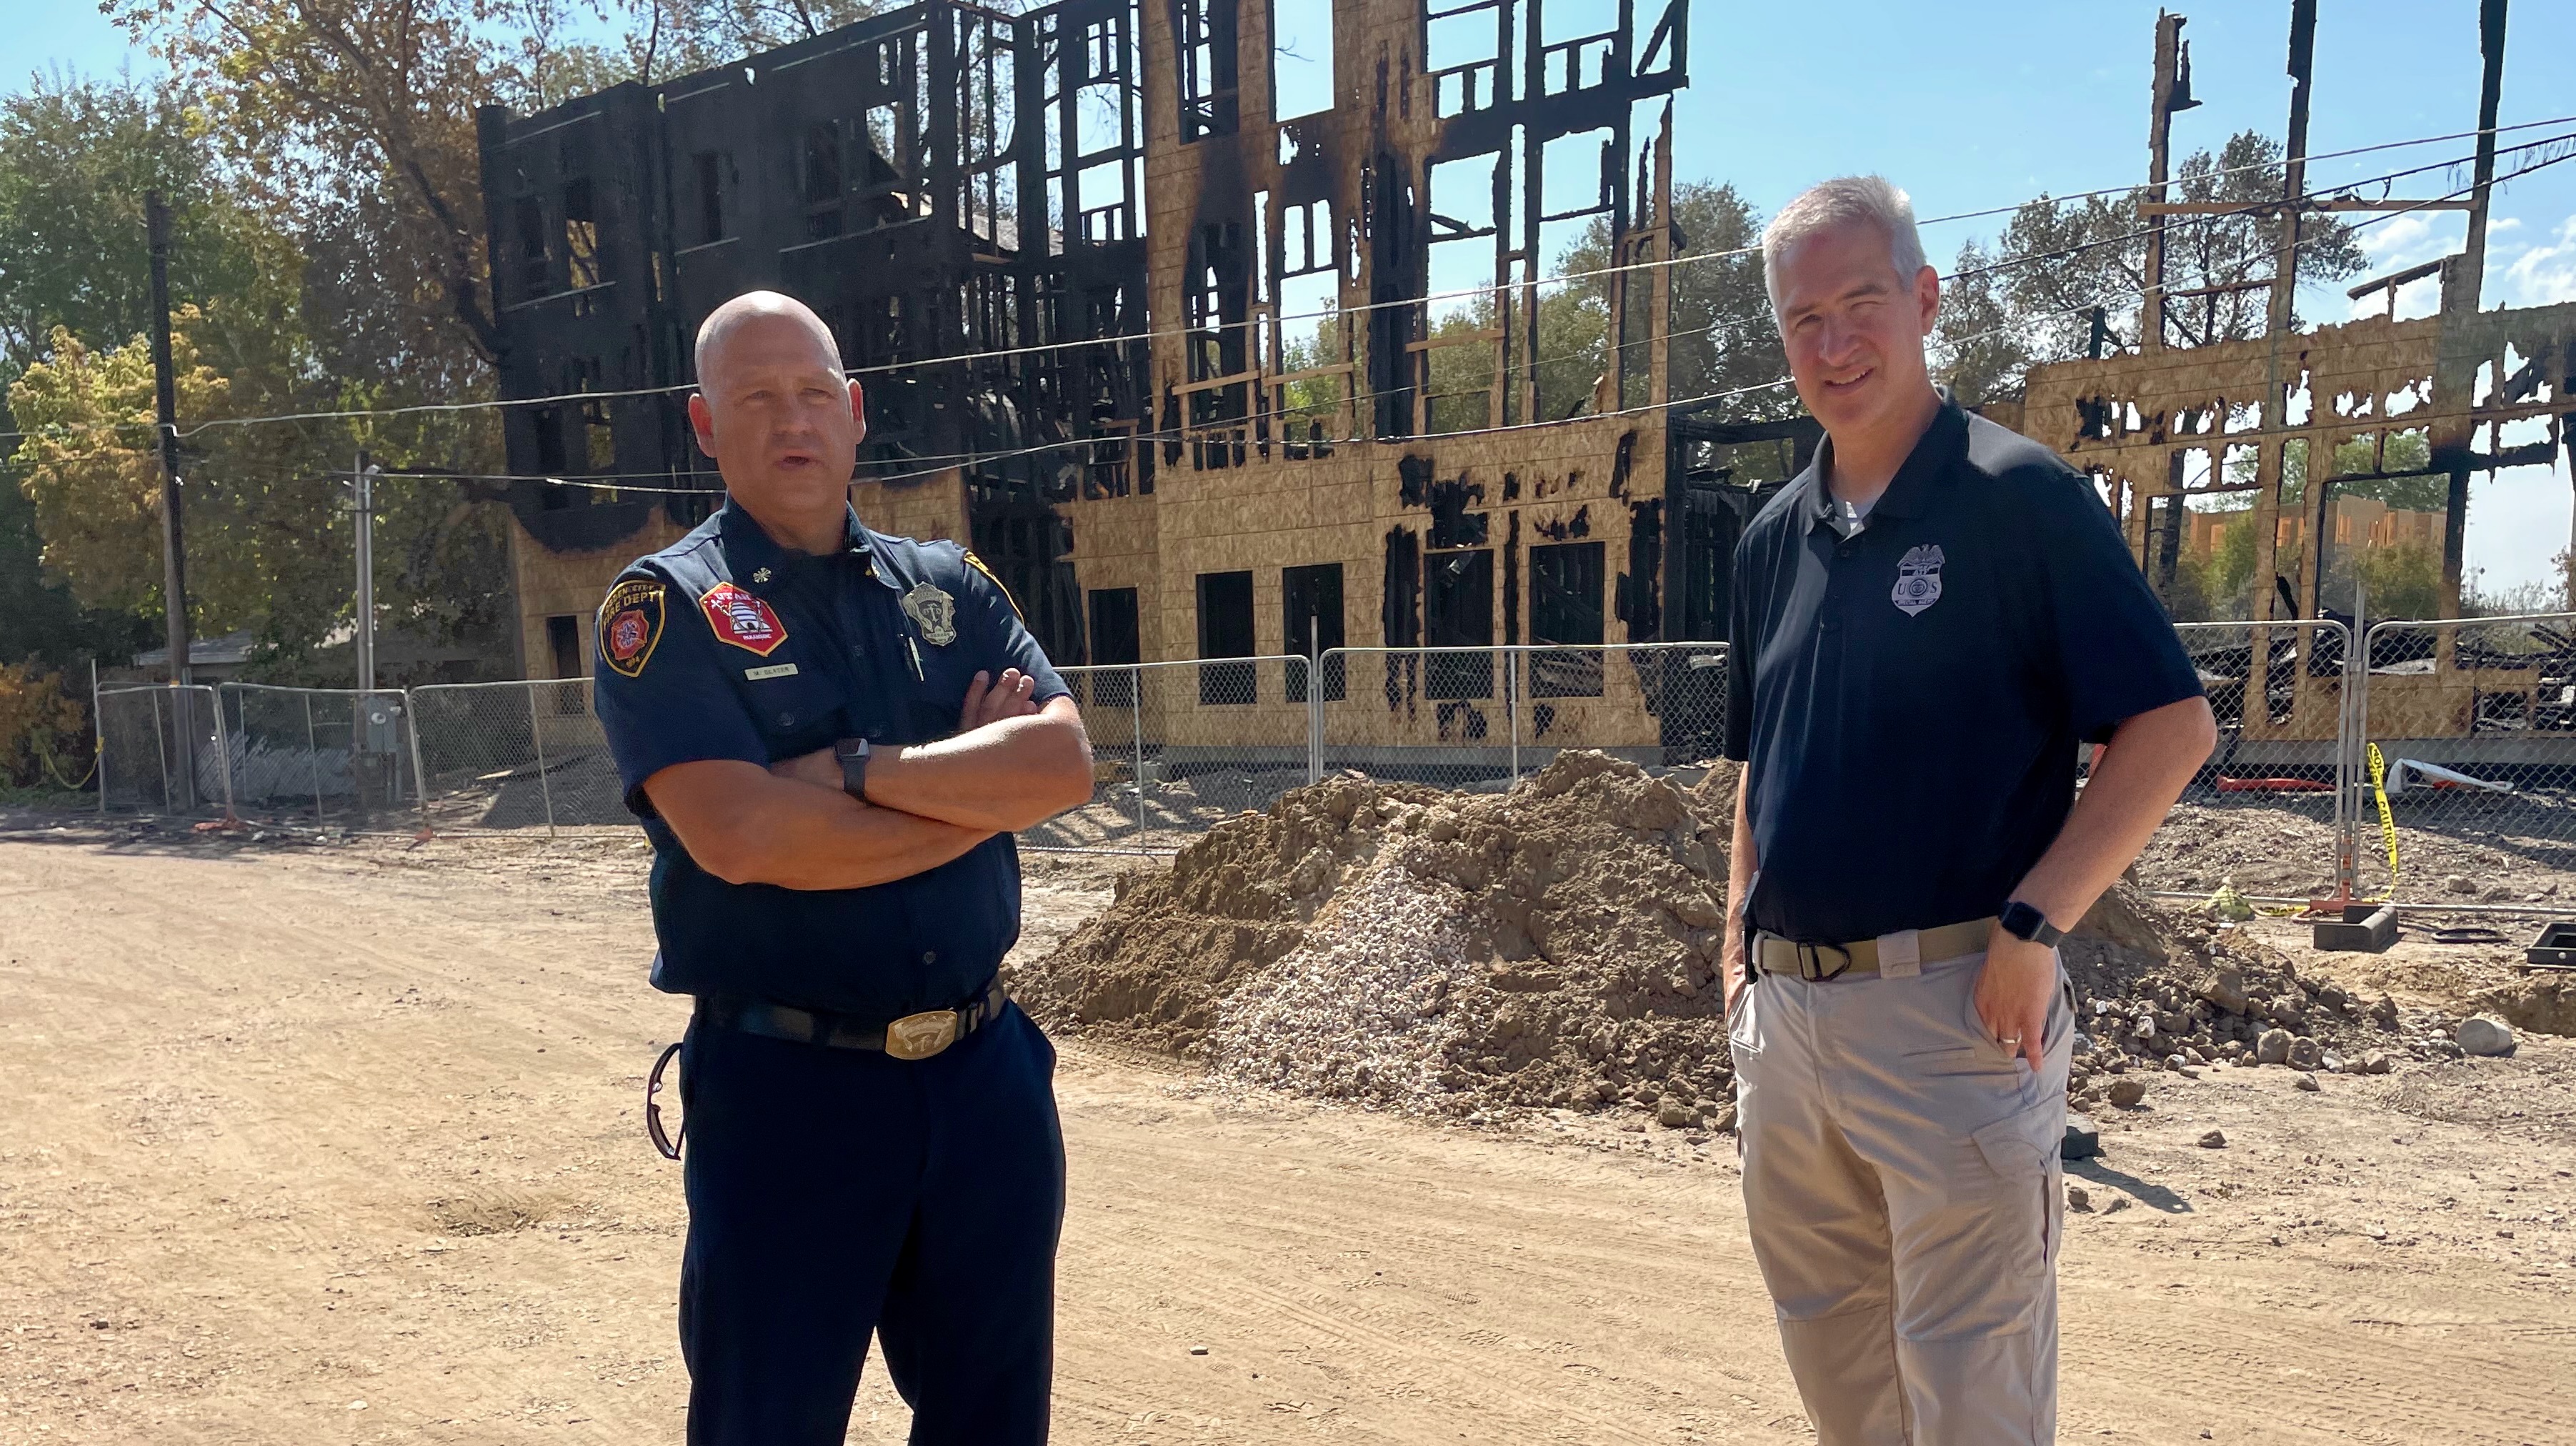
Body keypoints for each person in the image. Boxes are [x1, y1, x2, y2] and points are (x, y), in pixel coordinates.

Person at [1718, 178, 2217, 1445]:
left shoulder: (2017, 499)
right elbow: (1755, 764)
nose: (1833, 345)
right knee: (1840, 1372)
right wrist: (1736, 952)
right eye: (1802, 319)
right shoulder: (1770, 538)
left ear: (1925, 299)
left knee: (1972, 1390)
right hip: (1788, 1026)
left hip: (1951, 1019)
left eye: (1860, 303)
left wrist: (2033, 929)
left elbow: (2170, 727)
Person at [590, 290, 1095, 1445]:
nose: (792, 419)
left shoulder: (949, 588)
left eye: (814, 391)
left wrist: (854, 766)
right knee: (767, 1424)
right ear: (704, 424)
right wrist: (969, 795)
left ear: (856, 410)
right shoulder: (666, 608)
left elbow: (1061, 761)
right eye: (755, 397)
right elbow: (744, 837)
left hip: (984, 1085)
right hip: (788, 1097)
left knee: (992, 1422)